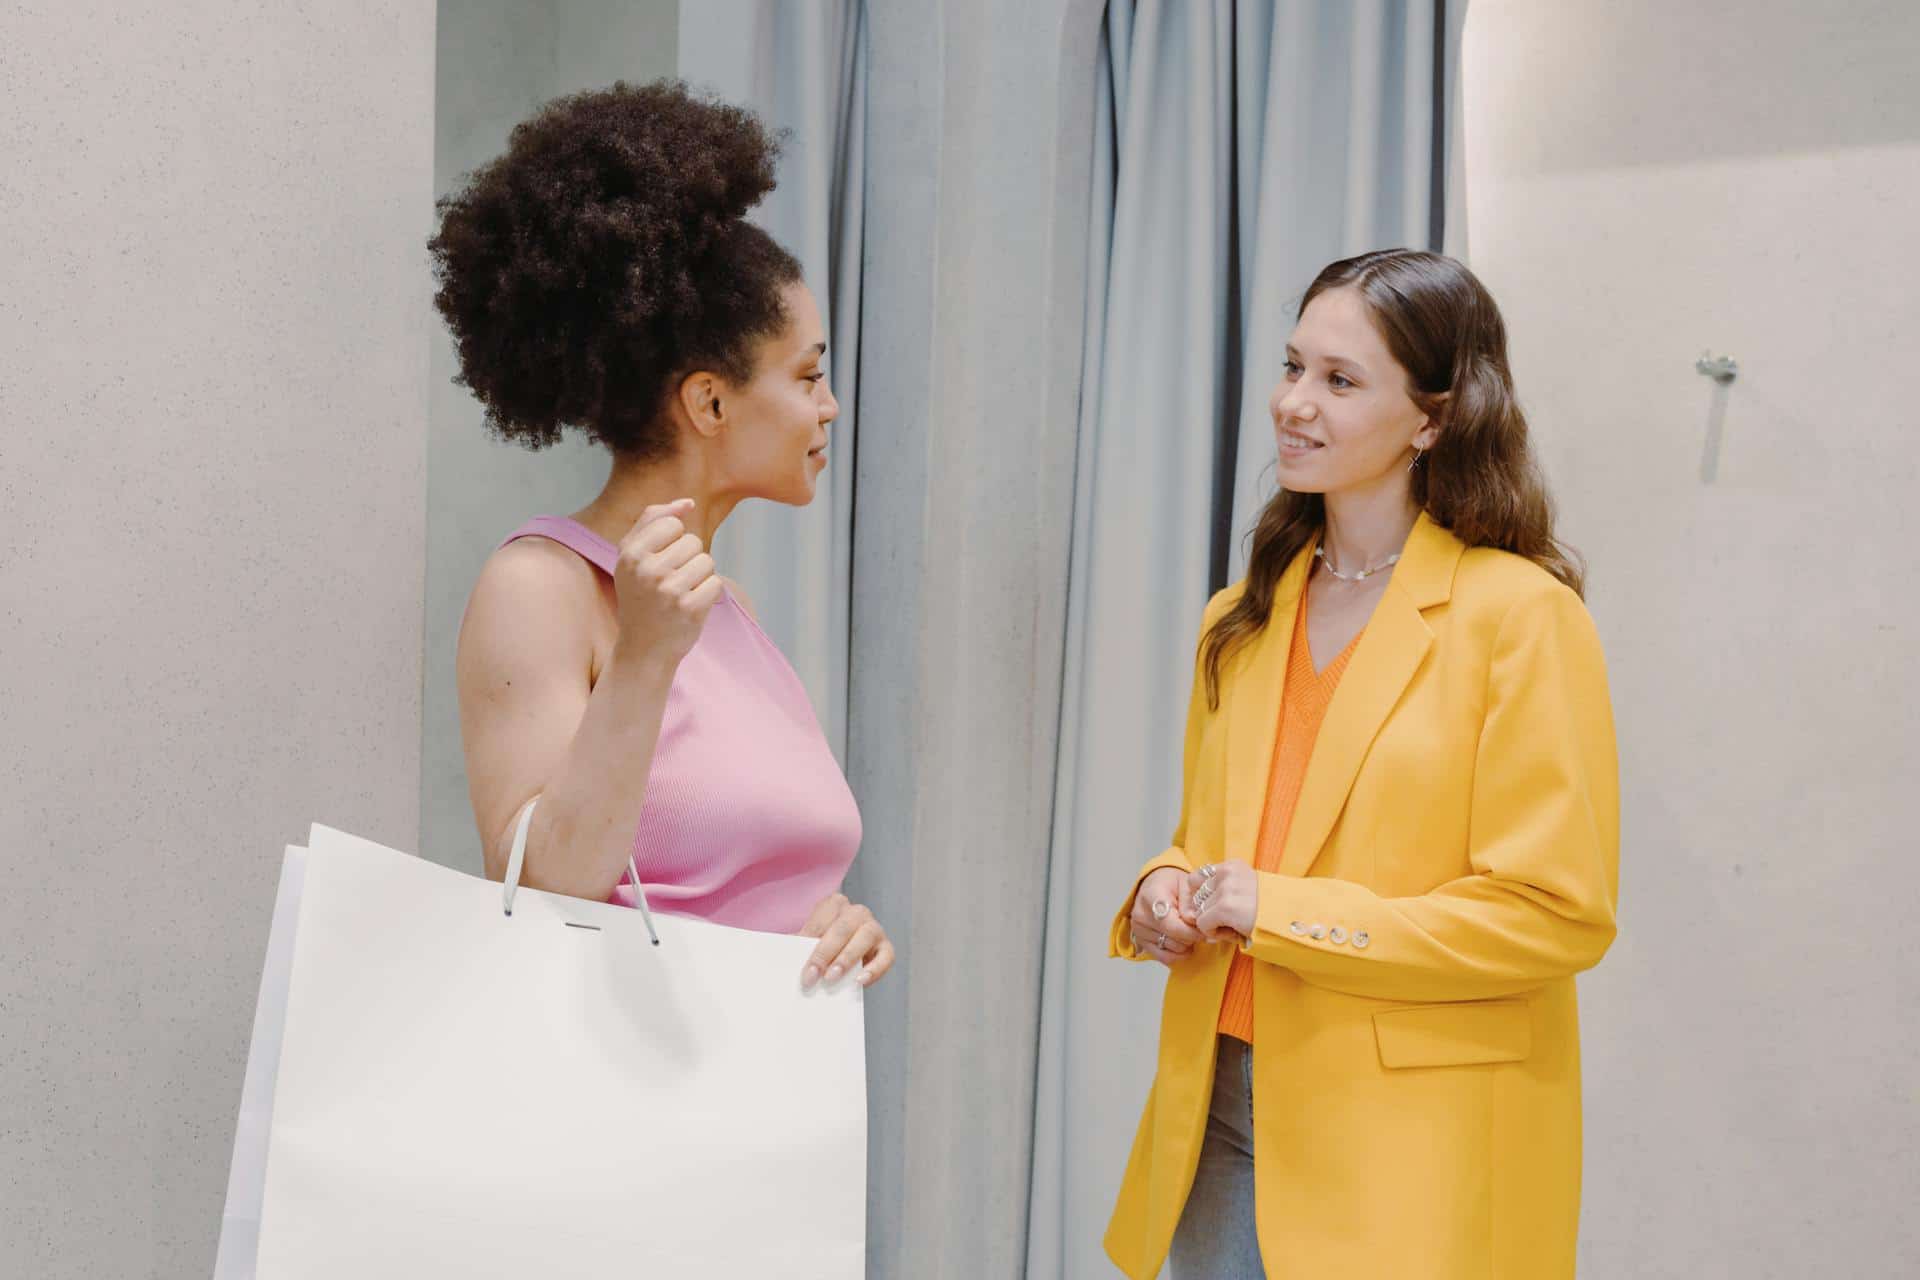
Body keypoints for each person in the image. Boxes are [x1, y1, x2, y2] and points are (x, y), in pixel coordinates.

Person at [1104, 249, 1619, 1278]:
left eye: (1340, 381)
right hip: (1221, 1100)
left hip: (1409, 1139)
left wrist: (1277, 910)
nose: (1294, 403)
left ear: (1434, 417)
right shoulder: (1241, 619)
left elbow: (1554, 913)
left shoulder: (1520, 619)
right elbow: (1214, 844)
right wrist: (1163, 886)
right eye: (1294, 367)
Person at [430, 79, 893, 991]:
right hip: (620, 1114)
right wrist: (643, 657)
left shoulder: (732, 612)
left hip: (769, 1095)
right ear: (710, 401)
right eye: (808, 377)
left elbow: (741, 890)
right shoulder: (540, 586)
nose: (829, 408)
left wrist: (838, 930)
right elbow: (544, 889)